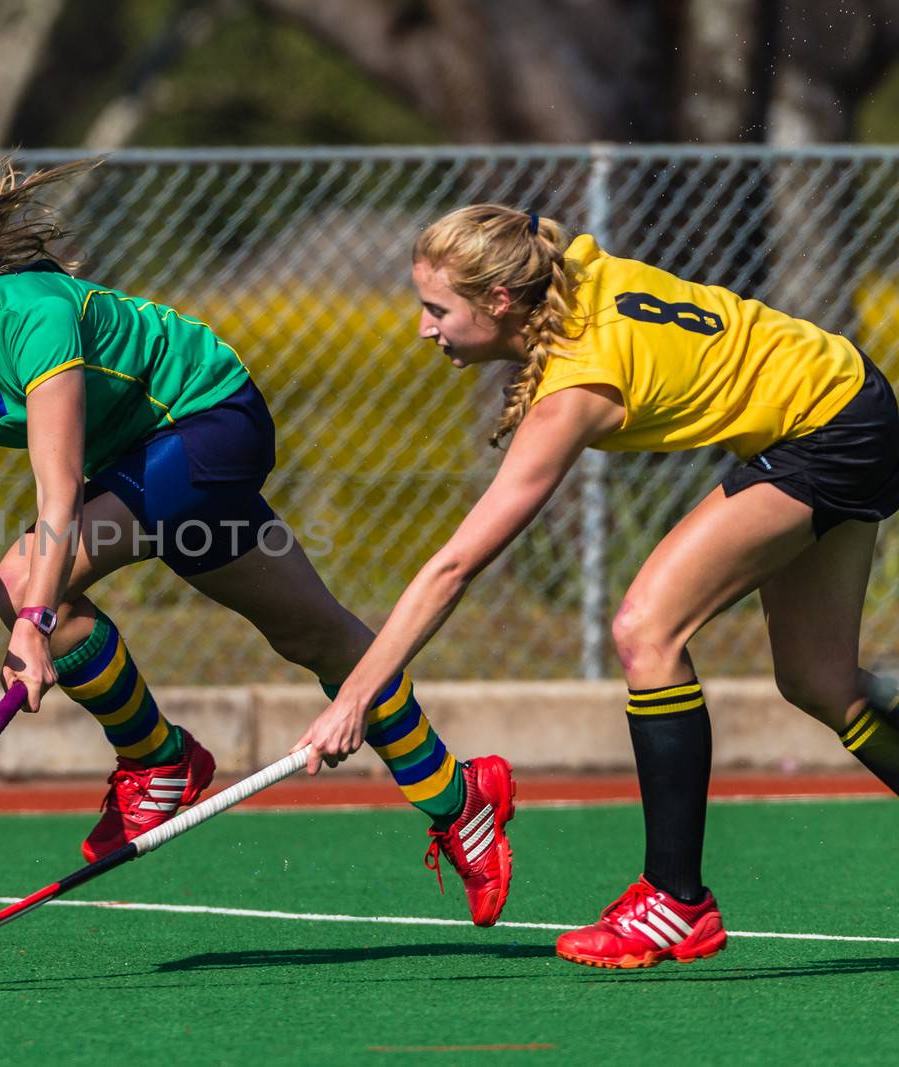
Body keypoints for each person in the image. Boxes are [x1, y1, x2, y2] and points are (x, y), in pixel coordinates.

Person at [0, 159, 516, 925]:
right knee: (317, 634)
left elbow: (57, 492)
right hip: (139, 464)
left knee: (28, 578)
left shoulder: (31, 316)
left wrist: (31, 622)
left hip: (209, 418)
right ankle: (462, 799)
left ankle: (156, 756)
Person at [298, 203, 899, 969]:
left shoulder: (574, 386)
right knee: (820, 681)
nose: (424, 327)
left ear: (500, 303)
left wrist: (355, 697)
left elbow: (454, 565)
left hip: (828, 427)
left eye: (437, 308)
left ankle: (674, 900)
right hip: (840, 397)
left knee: (646, 630)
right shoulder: (559, 261)